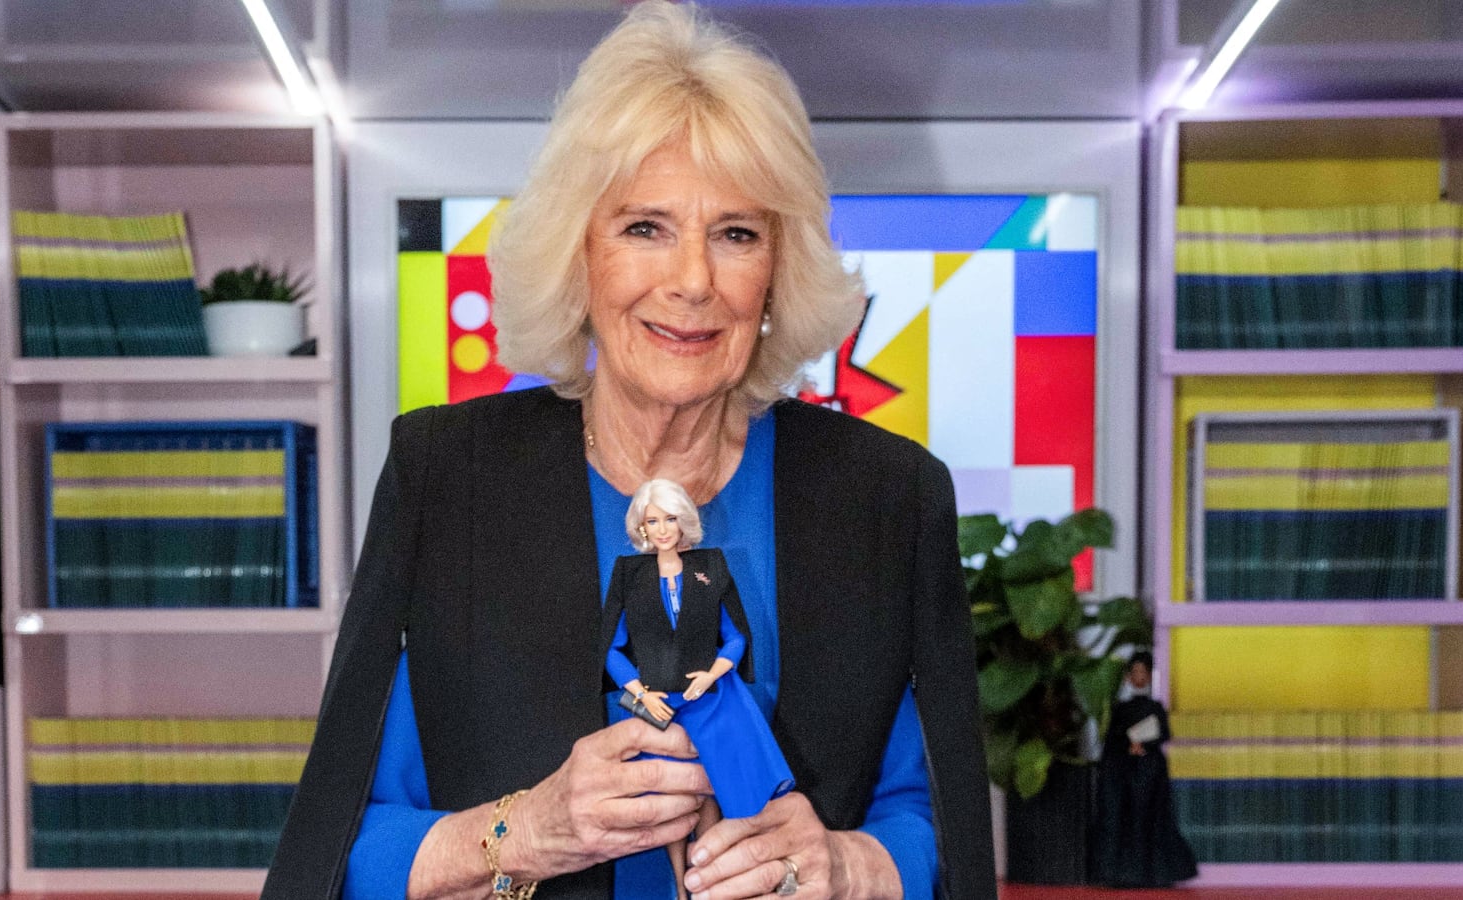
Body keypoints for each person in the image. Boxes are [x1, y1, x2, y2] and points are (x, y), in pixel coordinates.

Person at [262, 2, 994, 898]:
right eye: (645, 227)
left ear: (776, 272)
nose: (692, 281)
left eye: (736, 233)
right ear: (580, 258)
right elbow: (341, 847)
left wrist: (847, 868)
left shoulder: (888, 496)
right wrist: (525, 832)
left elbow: (937, 826)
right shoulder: (446, 478)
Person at [602, 478, 795, 898]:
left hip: (706, 697)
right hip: (656, 701)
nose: (663, 528)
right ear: (642, 528)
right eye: (653, 520)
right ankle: (679, 882)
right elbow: (612, 649)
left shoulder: (711, 567)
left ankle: (706, 871)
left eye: (670, 518)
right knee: (666, 791)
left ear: (683, 521)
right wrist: (639, 691)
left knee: (711, 783)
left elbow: (737, 637)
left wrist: (712, 673)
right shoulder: (628, 575)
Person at [1090, 651, 1199, 888]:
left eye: (1144, 672)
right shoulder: (1120, 709)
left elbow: (1164, 733)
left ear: (1150, 676)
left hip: (1150, 774)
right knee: (1125, 821)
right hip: (1124, 775)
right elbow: (1112, 740)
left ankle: (1154, 873)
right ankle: (1122, 874)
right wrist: (1128, 746)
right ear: (1129, 677)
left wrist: (1145, 744)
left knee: (1150, 820)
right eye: (1135, 672)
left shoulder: (1155, 707)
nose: (1139, 677)